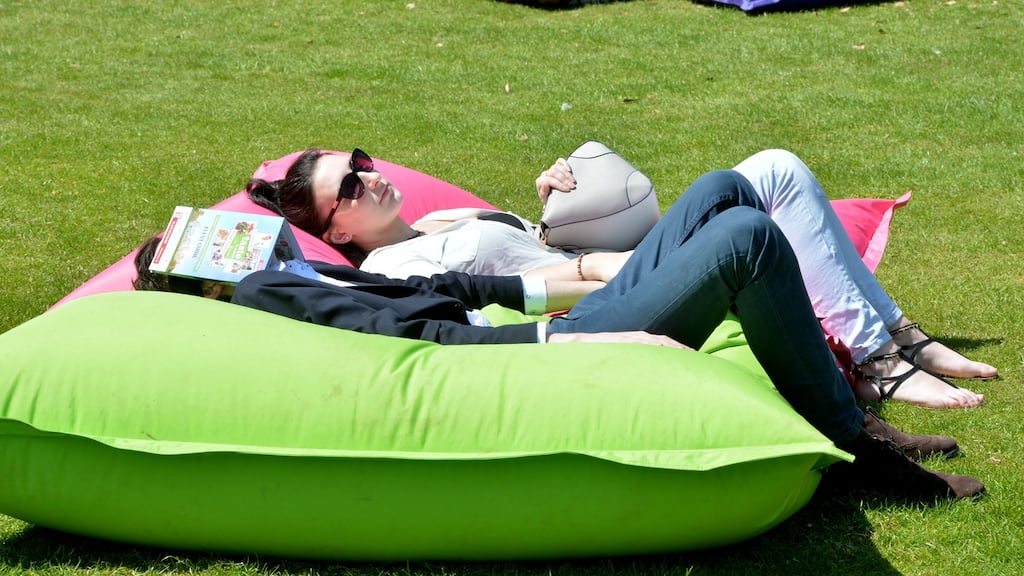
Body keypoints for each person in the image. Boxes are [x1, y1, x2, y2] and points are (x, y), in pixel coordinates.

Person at [135, 170, 984, 502]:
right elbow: (421, 349)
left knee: (726, 190)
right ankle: (855, 447)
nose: (370, 175)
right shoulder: (265, 294)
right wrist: (568, 343)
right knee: (746, 240)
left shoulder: (313, 268)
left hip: (563, 314)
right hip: (544, 354)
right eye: (348, 183)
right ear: (200, 275)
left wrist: (562, 286)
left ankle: (854, 413)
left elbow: (446, 287)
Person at [245, 148, 997, 409]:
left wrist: (545, 206)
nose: (369, 181)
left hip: (606, 266)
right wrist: (627, 260)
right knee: (748, 219)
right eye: (347, 190)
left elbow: (521, 257)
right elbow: (514, 295)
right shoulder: (391, 266)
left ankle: (900, 341)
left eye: (362, 165)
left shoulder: (433, 225)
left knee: (769, 169)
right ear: (335, 231)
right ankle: (878, 365)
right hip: (605, 293)